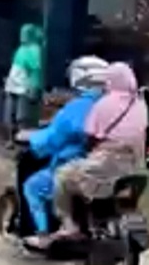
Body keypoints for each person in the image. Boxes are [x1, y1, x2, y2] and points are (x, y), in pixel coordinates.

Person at [24, 62, 149, 248]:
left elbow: (89, 137)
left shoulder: (104, 104)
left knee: (63, 176)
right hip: (136, 169)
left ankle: (69, 226)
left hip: (105, 165)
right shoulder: (140, 105)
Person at [18, 56, 109, 235]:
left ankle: (42, 233)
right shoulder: (112, 105)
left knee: (32, 187)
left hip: (74, 164)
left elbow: (53, 139)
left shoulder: (78, 108)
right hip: (107, 167)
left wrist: (32, 139)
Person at [5, 24, 44, 136]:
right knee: (12, 115)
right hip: (14, 85)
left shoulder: (34, 49)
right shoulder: (23, 48)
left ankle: (20, 140)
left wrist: (34, 88)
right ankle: (11, 138)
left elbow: (35, 71)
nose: (22, 36)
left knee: (21, 117)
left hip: (23, 87)